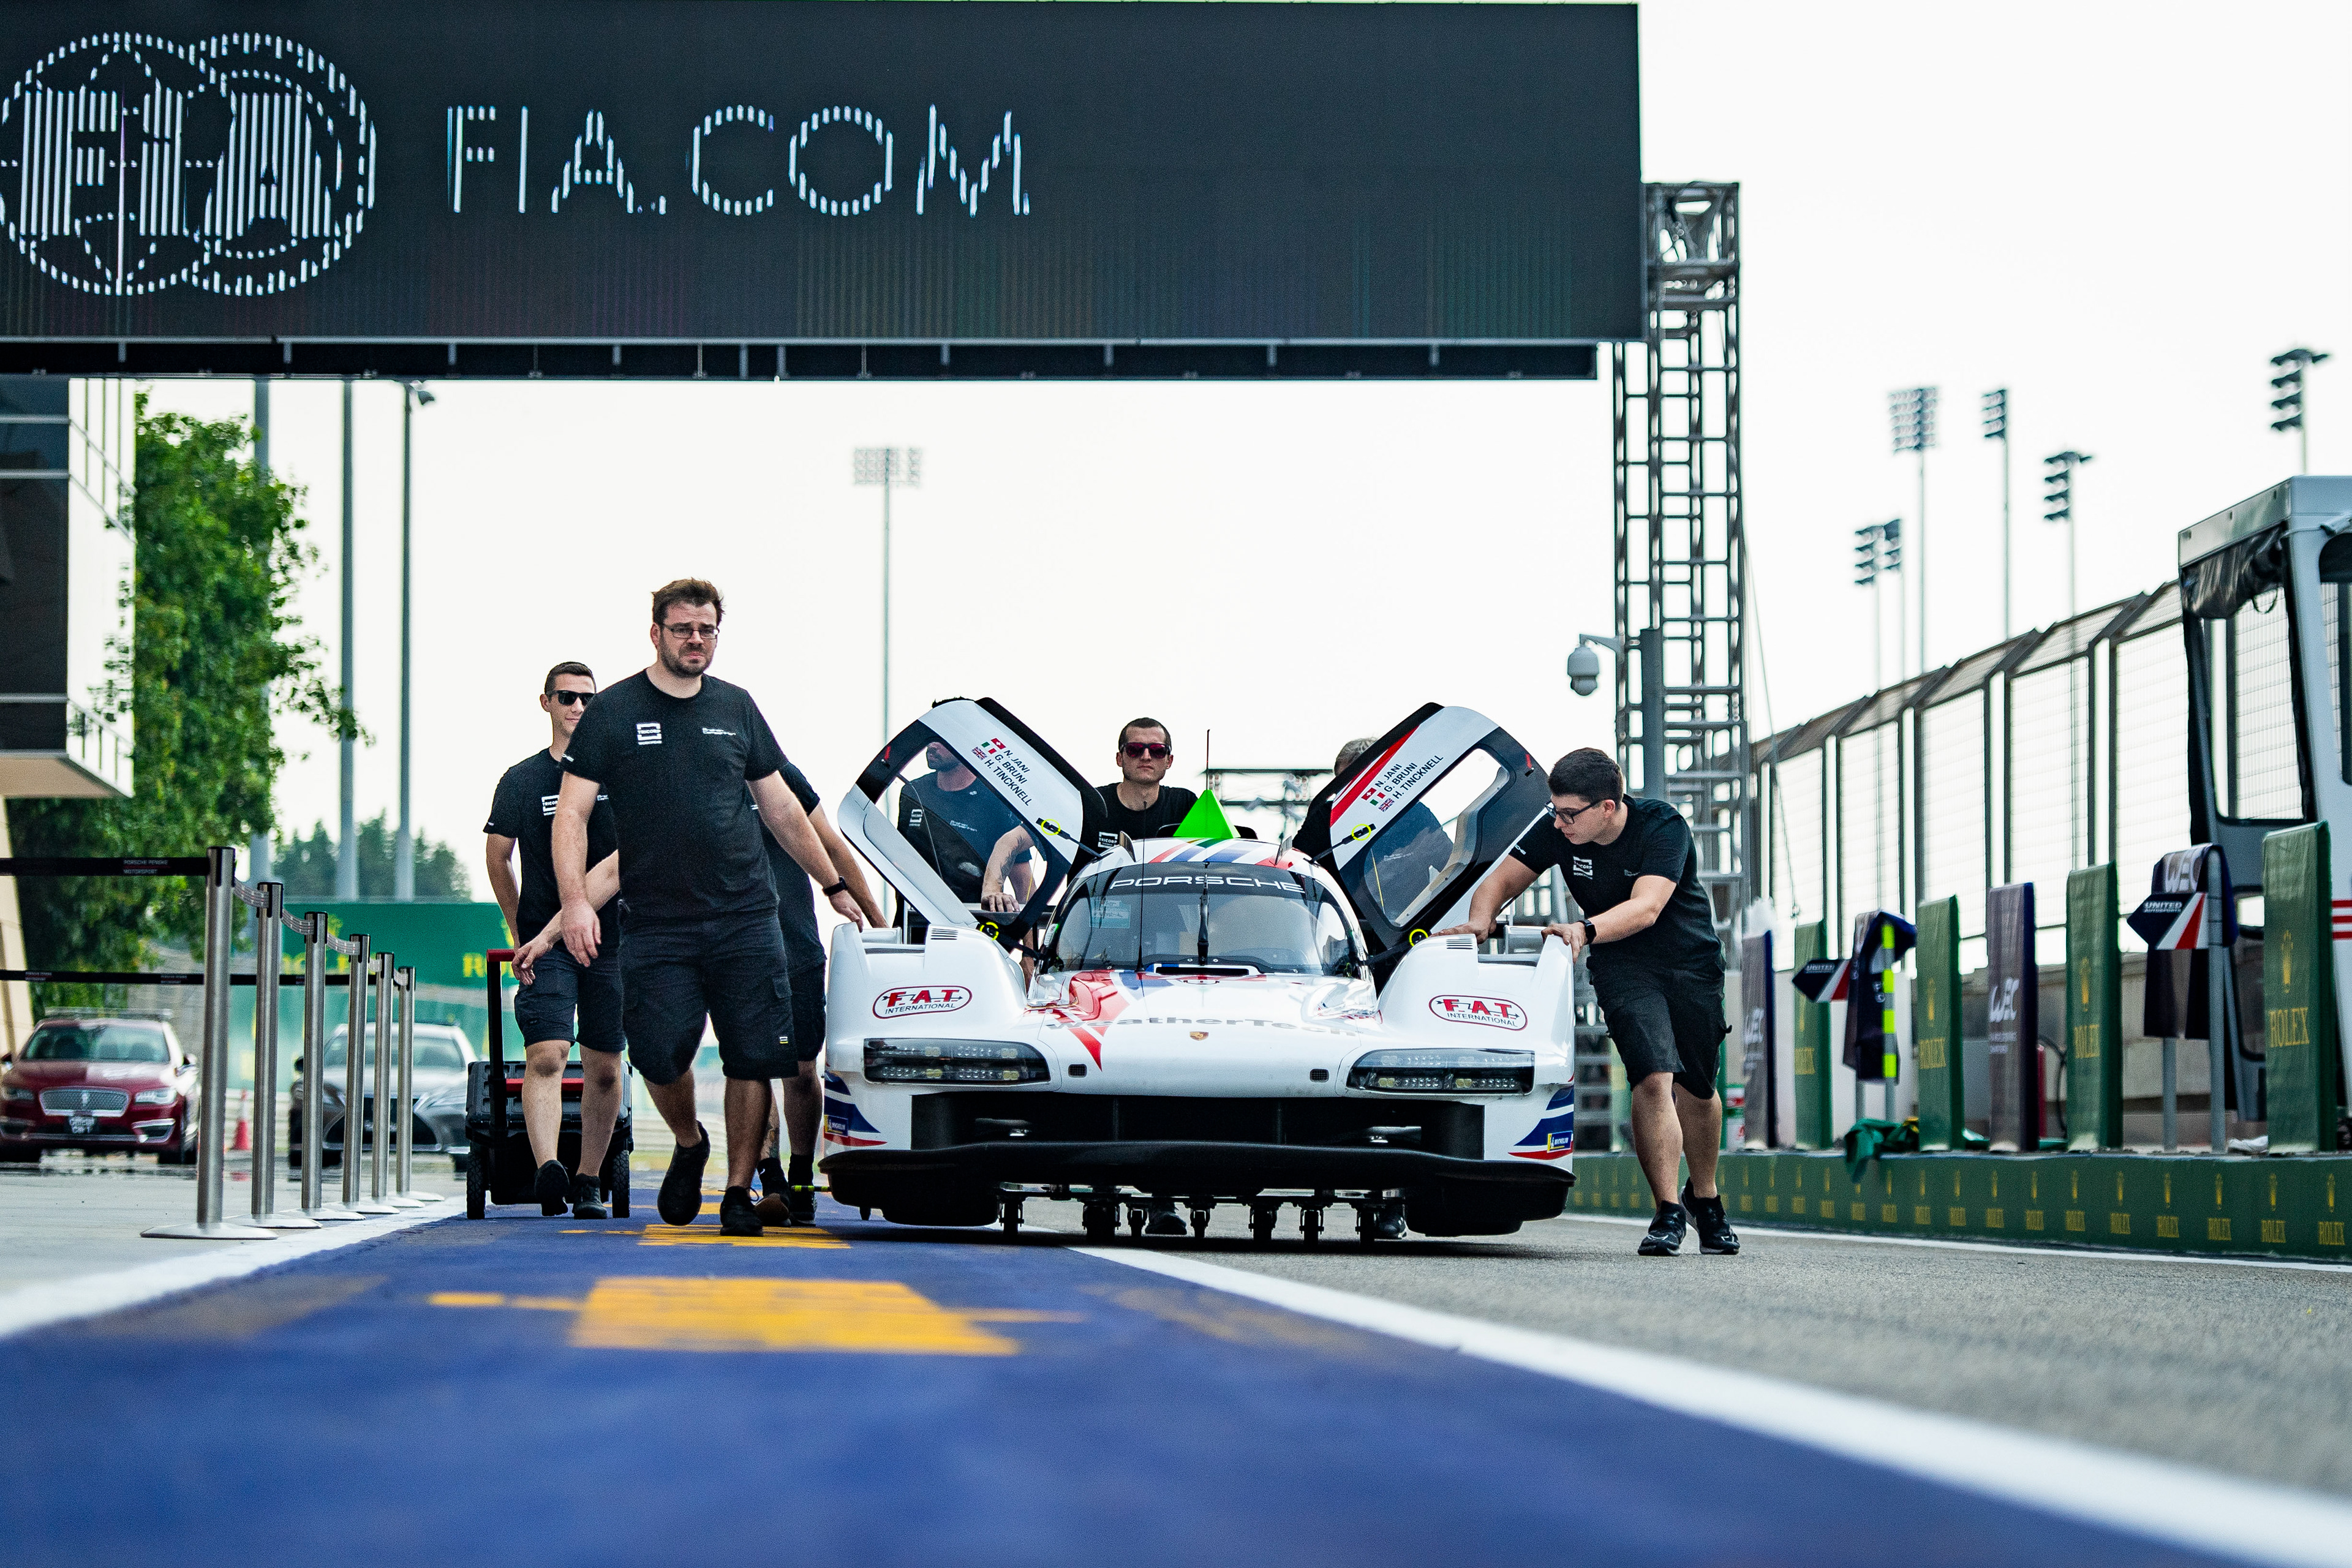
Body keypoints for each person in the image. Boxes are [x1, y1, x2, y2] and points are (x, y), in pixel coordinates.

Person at [552, 579, 864, 1238]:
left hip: (746, 917)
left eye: (707, 630)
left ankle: (736, 1191)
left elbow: (782, 808)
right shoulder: (612, 712)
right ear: (656, 633)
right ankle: (691, 1141)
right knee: (661, 1055)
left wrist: (833, 885)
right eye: (683, 629)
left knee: (755, 1056)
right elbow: (573, 814)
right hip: (658, 921)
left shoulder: (737, 708)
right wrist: (576, 903)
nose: (696, 640)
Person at [1435, 747, 1736, 1258]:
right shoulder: (1559, 829)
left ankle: (1704, 1196)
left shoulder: (1663, 827)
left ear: (1609, 808)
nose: (1560, 821)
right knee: (1653, 1074)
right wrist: (1481, 919)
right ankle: (1667, 1211)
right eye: (1556, 810)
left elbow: (1647, 907)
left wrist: (1583, 928)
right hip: (1622, 965)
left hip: (1688, 962)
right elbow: (1502, 880)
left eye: (1570, 813)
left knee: (1697, 1087)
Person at [483, 662, 626, 1219]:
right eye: (567, 698)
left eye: (589, 699)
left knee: (606, 1066)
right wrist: (524, 931)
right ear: (546, 702)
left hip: (611, 941)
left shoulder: (618, 777)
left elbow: (622, 865)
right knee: (546, 1053)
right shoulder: (522, 780)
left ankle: (589, 1178)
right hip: (547, 943)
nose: (578, 708)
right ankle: (548, 1169)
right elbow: (498, 857)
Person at [754, 765, 886, 1225]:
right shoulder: (698, 777)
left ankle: (801, 1175)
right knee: (751, 1067)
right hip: (738, 952)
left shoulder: (782, 777)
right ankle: (769, 1177)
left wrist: (877, 921)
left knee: (801, 1069)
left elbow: (831, 846)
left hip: (797, 949)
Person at [899, 740, 1031, 907]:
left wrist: (1025, 930)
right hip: (914, 921)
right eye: (931, 738)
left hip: (971, 923)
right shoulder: (914, 791)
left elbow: (1024, 886)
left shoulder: (996, 803)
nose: (932, 745)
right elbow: (898, 858)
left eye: (942, 739)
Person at [1096, 718, 1197, 849]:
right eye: (1134, 749)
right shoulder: (1094, 804)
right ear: (1119, 758)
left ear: (1169, 761)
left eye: (1158, 750)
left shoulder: (1185, 805)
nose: (1146, 757)